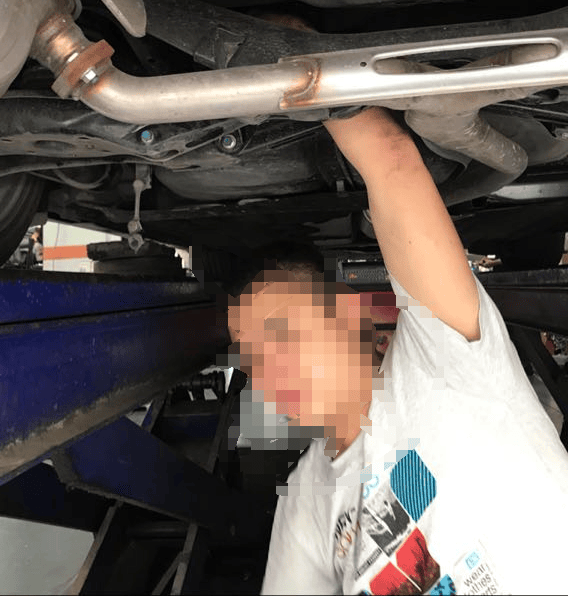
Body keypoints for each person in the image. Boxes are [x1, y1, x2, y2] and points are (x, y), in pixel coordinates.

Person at [227, 106, 568, 595]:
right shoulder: (306, 496)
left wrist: (287, 70)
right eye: (253, 359)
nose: (269, 372)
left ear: (348, 313)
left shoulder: (442, 358)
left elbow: (390, 159)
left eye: (283, 334)